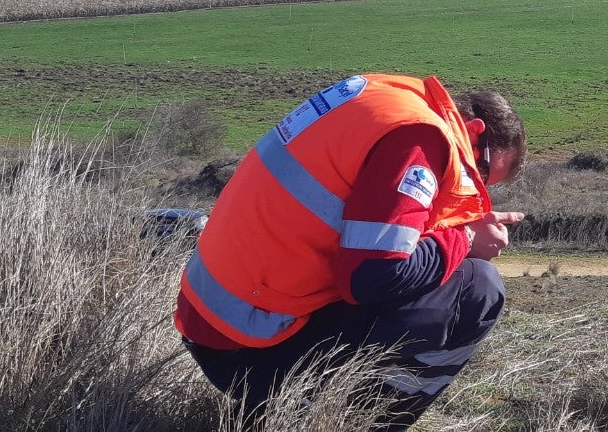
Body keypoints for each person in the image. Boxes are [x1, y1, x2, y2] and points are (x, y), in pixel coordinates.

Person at [173, 74, 526, 429]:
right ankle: (352, 423)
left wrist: (452, 230)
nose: (473, 182)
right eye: (481, 171)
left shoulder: (383, 100)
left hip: (212, 324)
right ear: (474, 130)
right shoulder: (420, 139)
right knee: (477, 286)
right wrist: (465, 240)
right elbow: (373, 277)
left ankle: (268, 415)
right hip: (251, 350)